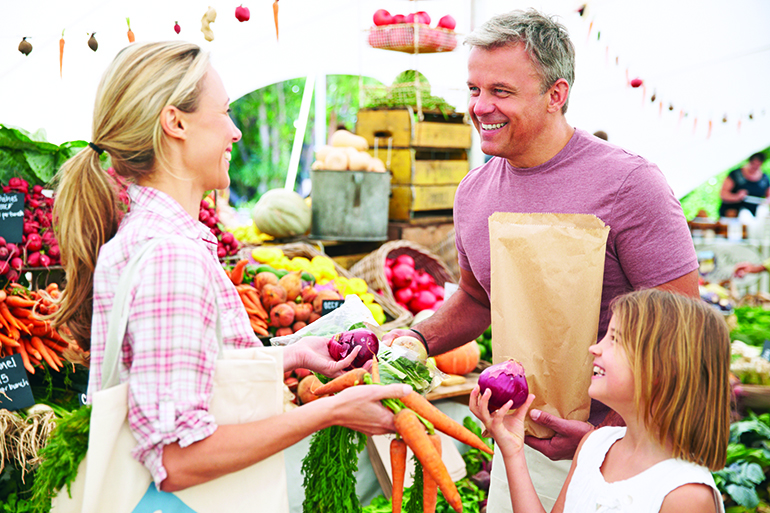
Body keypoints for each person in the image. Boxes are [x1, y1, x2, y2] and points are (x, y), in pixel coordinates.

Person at [50, 41, 410, 494]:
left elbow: (203, 371)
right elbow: (177, 459)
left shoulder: (156, 239)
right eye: (223, 112)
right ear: (174, 122)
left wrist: (295, 354)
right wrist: (330, 411)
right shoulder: (170, 258)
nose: (236, 132)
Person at [383, 9, 699, 510]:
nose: (480, 107)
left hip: (634, 453)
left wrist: (604, 436)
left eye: (500, 92)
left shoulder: (630, 185)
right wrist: (416, 339)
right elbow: (475, 297)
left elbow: (684, 332)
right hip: (522, 447)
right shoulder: (474, 193)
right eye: (473, 89)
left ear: (557, 94)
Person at [470, 289, 729, 513]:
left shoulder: (686, 495)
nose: (595, 348)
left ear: (663, 369)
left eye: (615, 339)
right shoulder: (595, 445)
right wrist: (513, 450)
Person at [718, 152, 769, 218]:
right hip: (733, 213)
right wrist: (736, 197)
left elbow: (768, 195)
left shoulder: (764, 178)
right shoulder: (736, 174)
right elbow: (723, 194)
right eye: (753, 164)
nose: (755, 167)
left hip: (754, 216)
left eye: (758, 165)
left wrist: (766, 201)